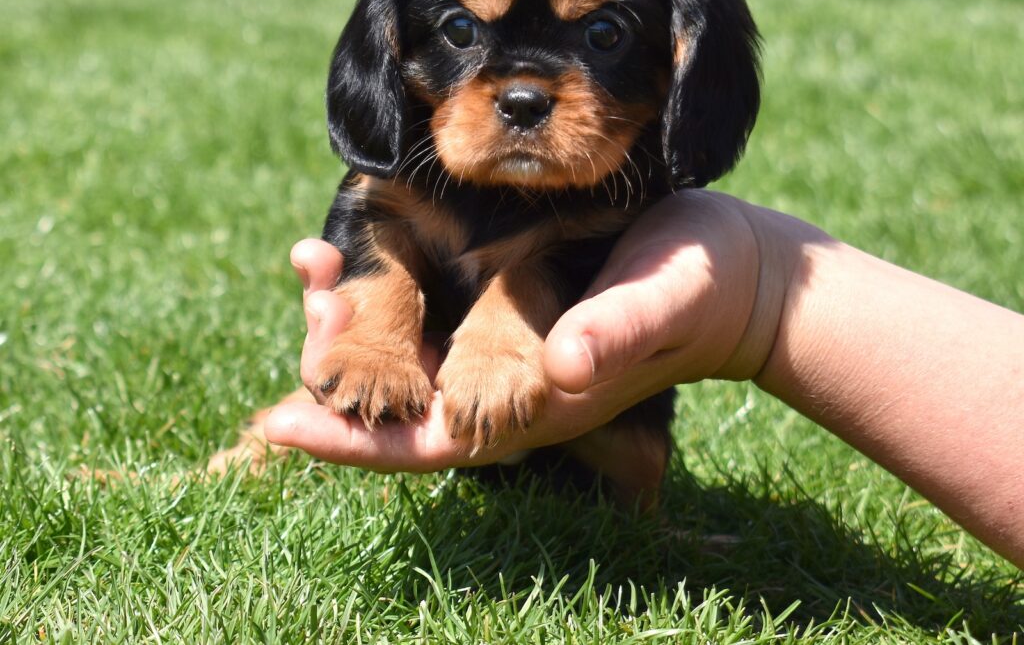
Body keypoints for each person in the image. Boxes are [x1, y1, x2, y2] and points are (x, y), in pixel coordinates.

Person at [263, 190, 1024, 568]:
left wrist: (751, 284)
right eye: (460, 32)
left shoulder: (606, 184)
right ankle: (263, 445)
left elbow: (569, 256)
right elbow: (366, 221)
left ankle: (647, 518)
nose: (522, 88)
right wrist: (379, 334)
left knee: (631, 461)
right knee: (348, 374)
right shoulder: (404, 159)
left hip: (600, 392)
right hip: (426, 364)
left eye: (602, 35)